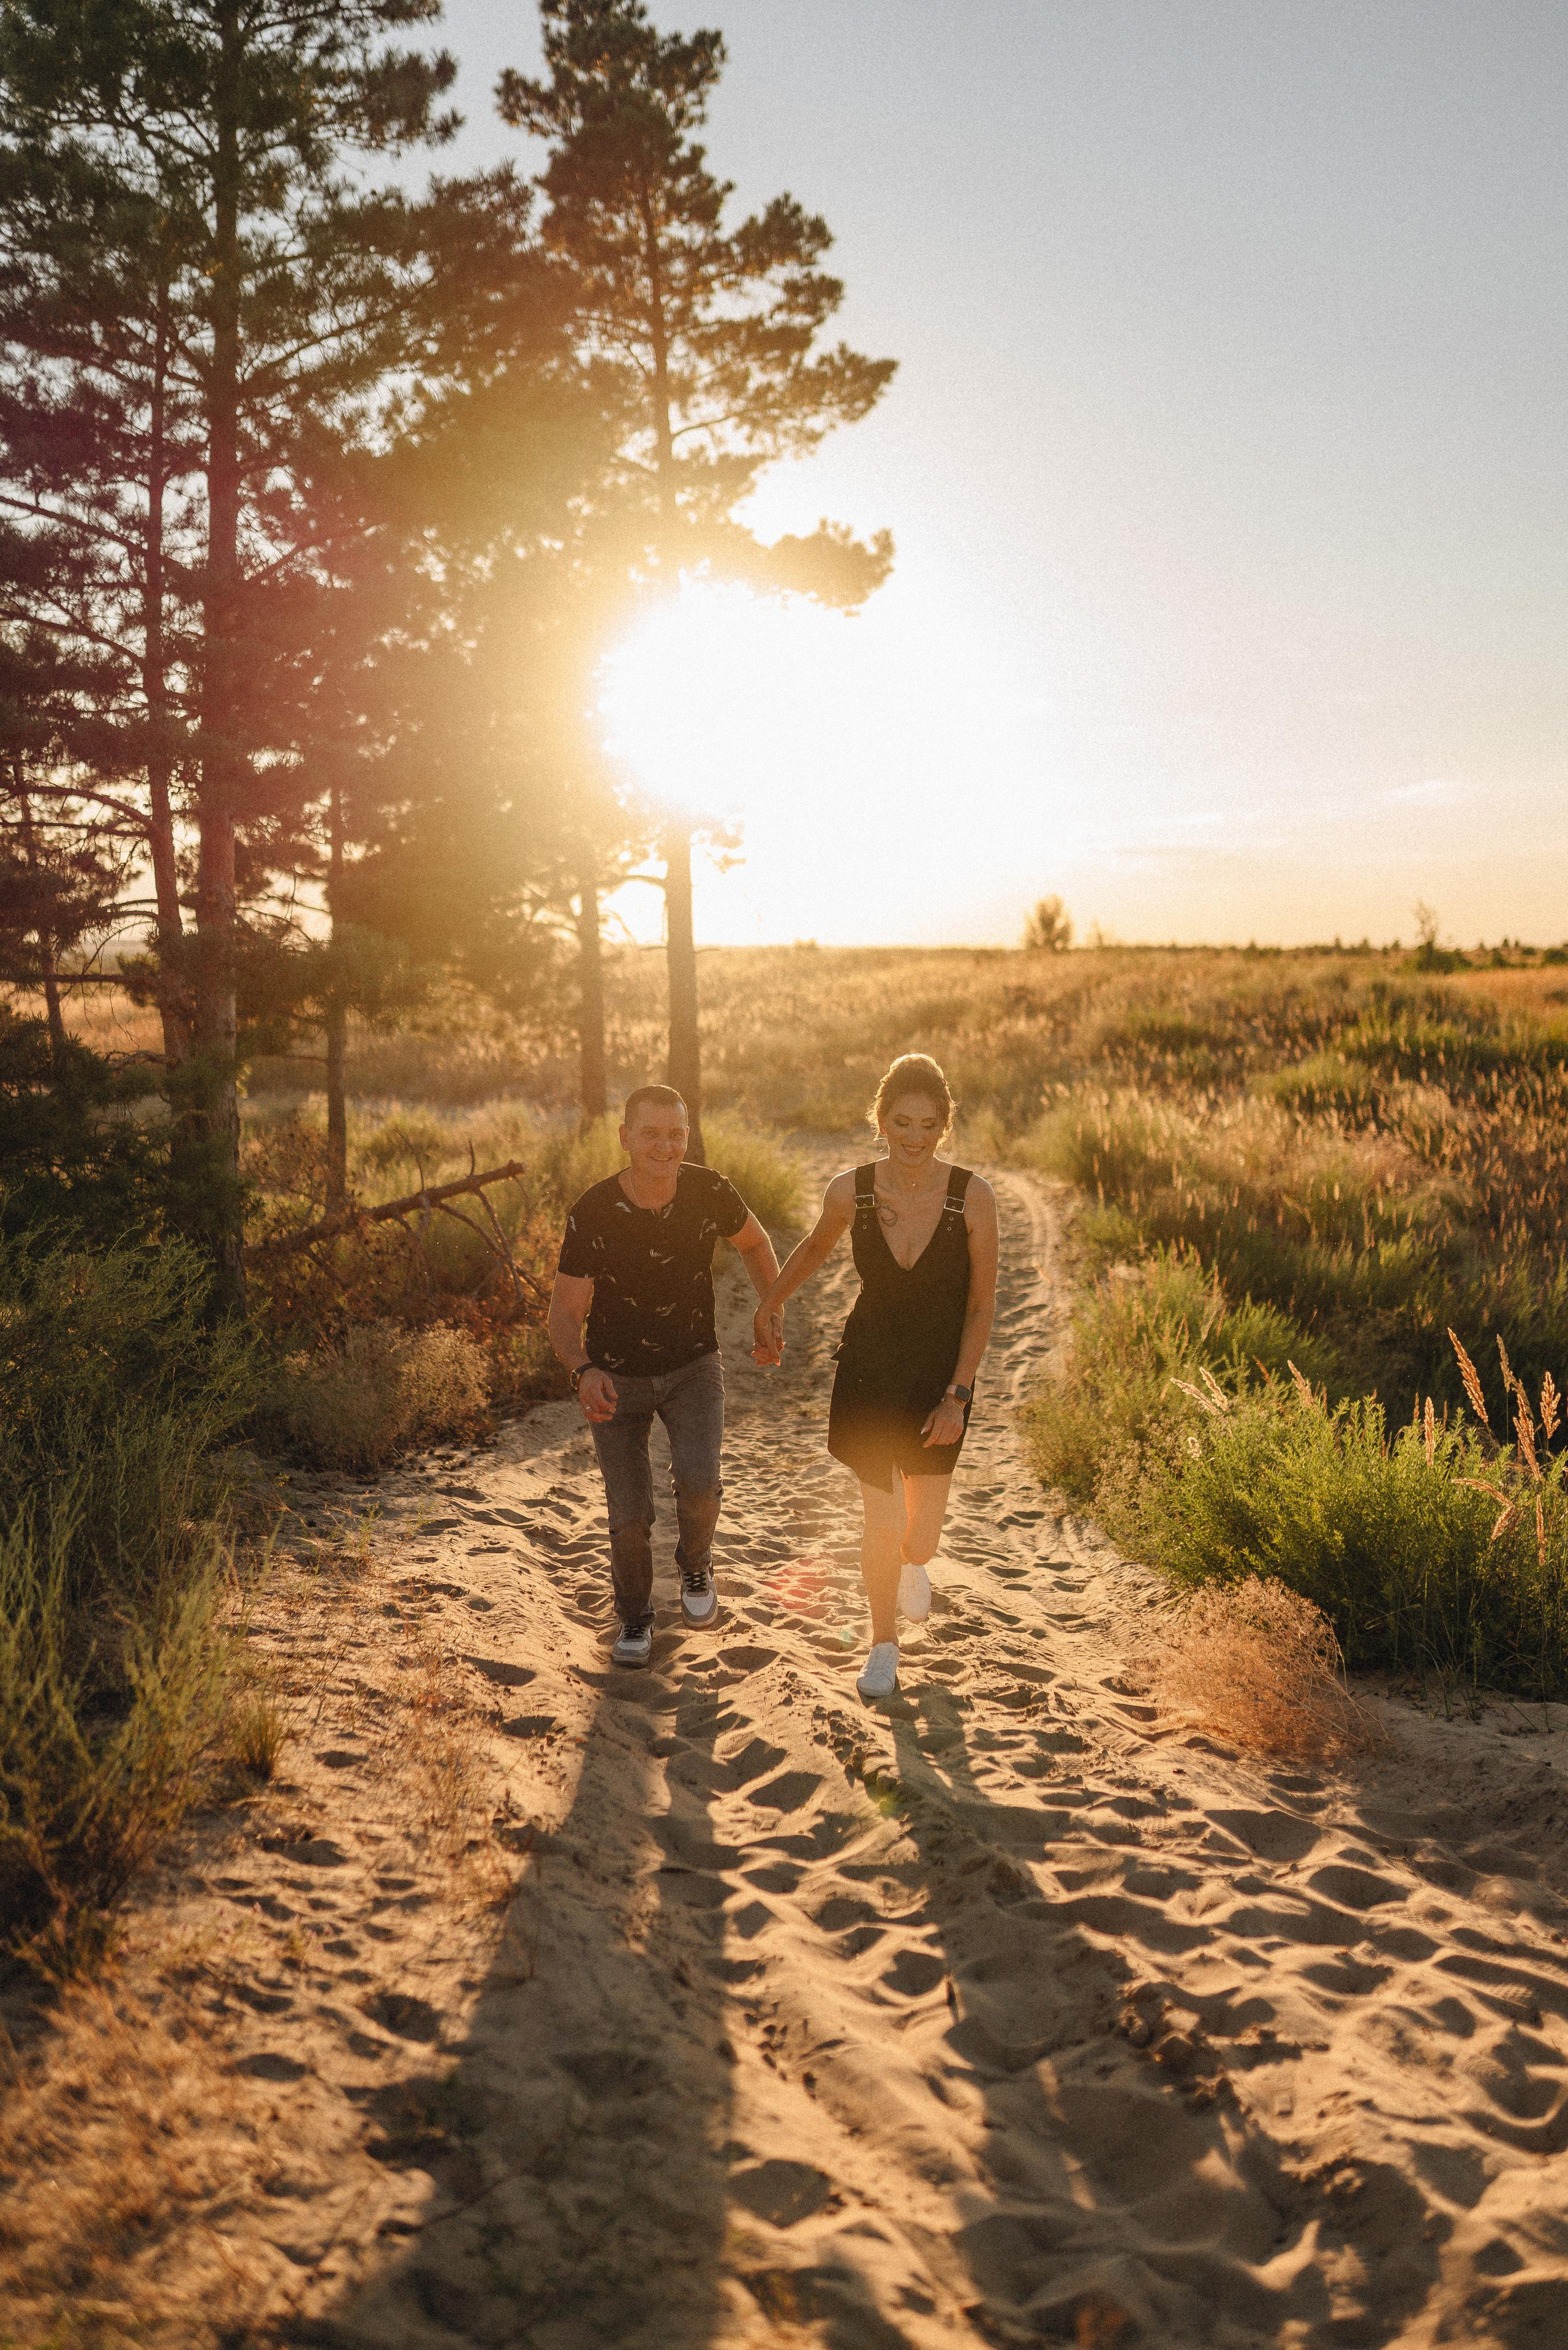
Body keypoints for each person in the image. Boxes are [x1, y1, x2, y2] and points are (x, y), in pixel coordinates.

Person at [753, 1053, 999, 1701]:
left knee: (919, 1537)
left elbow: (980, 1305)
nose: (914, 1138)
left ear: (944, 1126)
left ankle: (916, 1566)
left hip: (938, 1379)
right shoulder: (850, 1191)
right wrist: (771, 1301)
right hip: (866, 1369)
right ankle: (882, 1645)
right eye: (901, 1122)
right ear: (880, 1120)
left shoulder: (972, 1196)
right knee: (881, 1519)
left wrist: (958, 1394)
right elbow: (812, 1249)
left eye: (928, 1125)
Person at [548, 1084, 781, 1669]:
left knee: (700, 1482)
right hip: (616, 1379)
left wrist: (769, 1306)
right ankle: (635, 1615)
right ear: (625, 1137)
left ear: (687, 1137)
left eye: (676, 1133)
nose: (665, 1145)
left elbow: (755, 1242)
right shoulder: (593, 1211)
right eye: (650, 1132)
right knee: (629, 1515)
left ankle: (696, 1564)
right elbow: (564, 1314)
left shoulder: (709, 1191)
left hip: (692, 1366)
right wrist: (583, 1371)